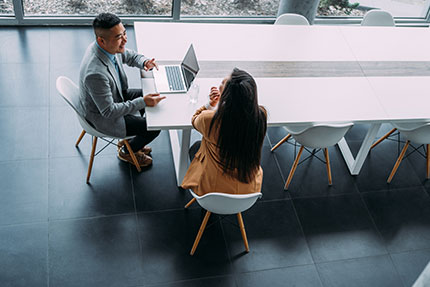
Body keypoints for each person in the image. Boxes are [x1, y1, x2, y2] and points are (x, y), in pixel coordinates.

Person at [79, 12, 165, 167]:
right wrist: (142, 102)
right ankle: (127, 151)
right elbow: (109, 112)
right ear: (102, 40)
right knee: (155, 126)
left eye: (124, 33)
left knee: (153, 95)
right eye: (119, 37)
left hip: (116, 95)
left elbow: (130, 55)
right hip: (104, 118)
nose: (125, 39)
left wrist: (144, 61)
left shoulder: (106, 47)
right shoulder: (95, 73)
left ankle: (134, 142)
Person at [181, 68, 267, 196]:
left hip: (212, 190)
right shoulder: (260, 116)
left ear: (227, 96)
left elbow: (194, 120)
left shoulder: (209, 119)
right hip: (248, 189)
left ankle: (211, 212)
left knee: (196, 147)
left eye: (222, 83)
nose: (219, 84)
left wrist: (210, 105)